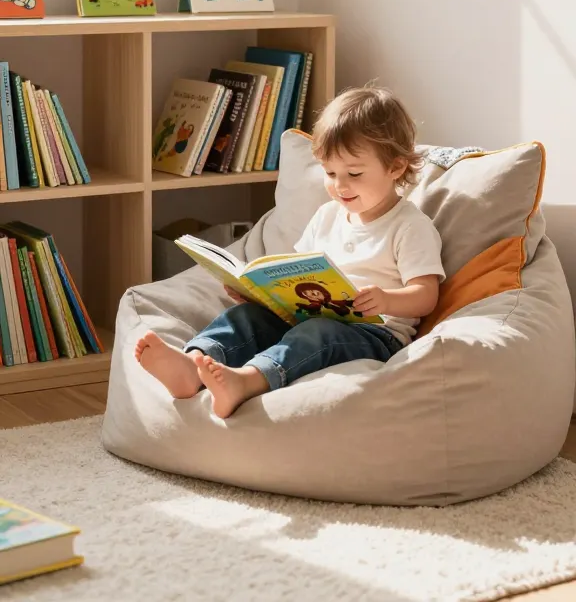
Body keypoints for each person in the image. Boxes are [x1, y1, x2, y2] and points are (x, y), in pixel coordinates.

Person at [135, 86, 445, 418]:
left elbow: (426, 294)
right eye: (330, 173)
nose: (340, 185)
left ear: (396, 167)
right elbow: (299, 274)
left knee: (316, 334)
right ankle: (191, 365)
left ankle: (246, 382)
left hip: (375, 335)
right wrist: (262, 296)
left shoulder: (410, 226)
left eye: (354, 174)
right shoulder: (327, 216)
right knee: (246, 318)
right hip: (306, 318)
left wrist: (387, 300)